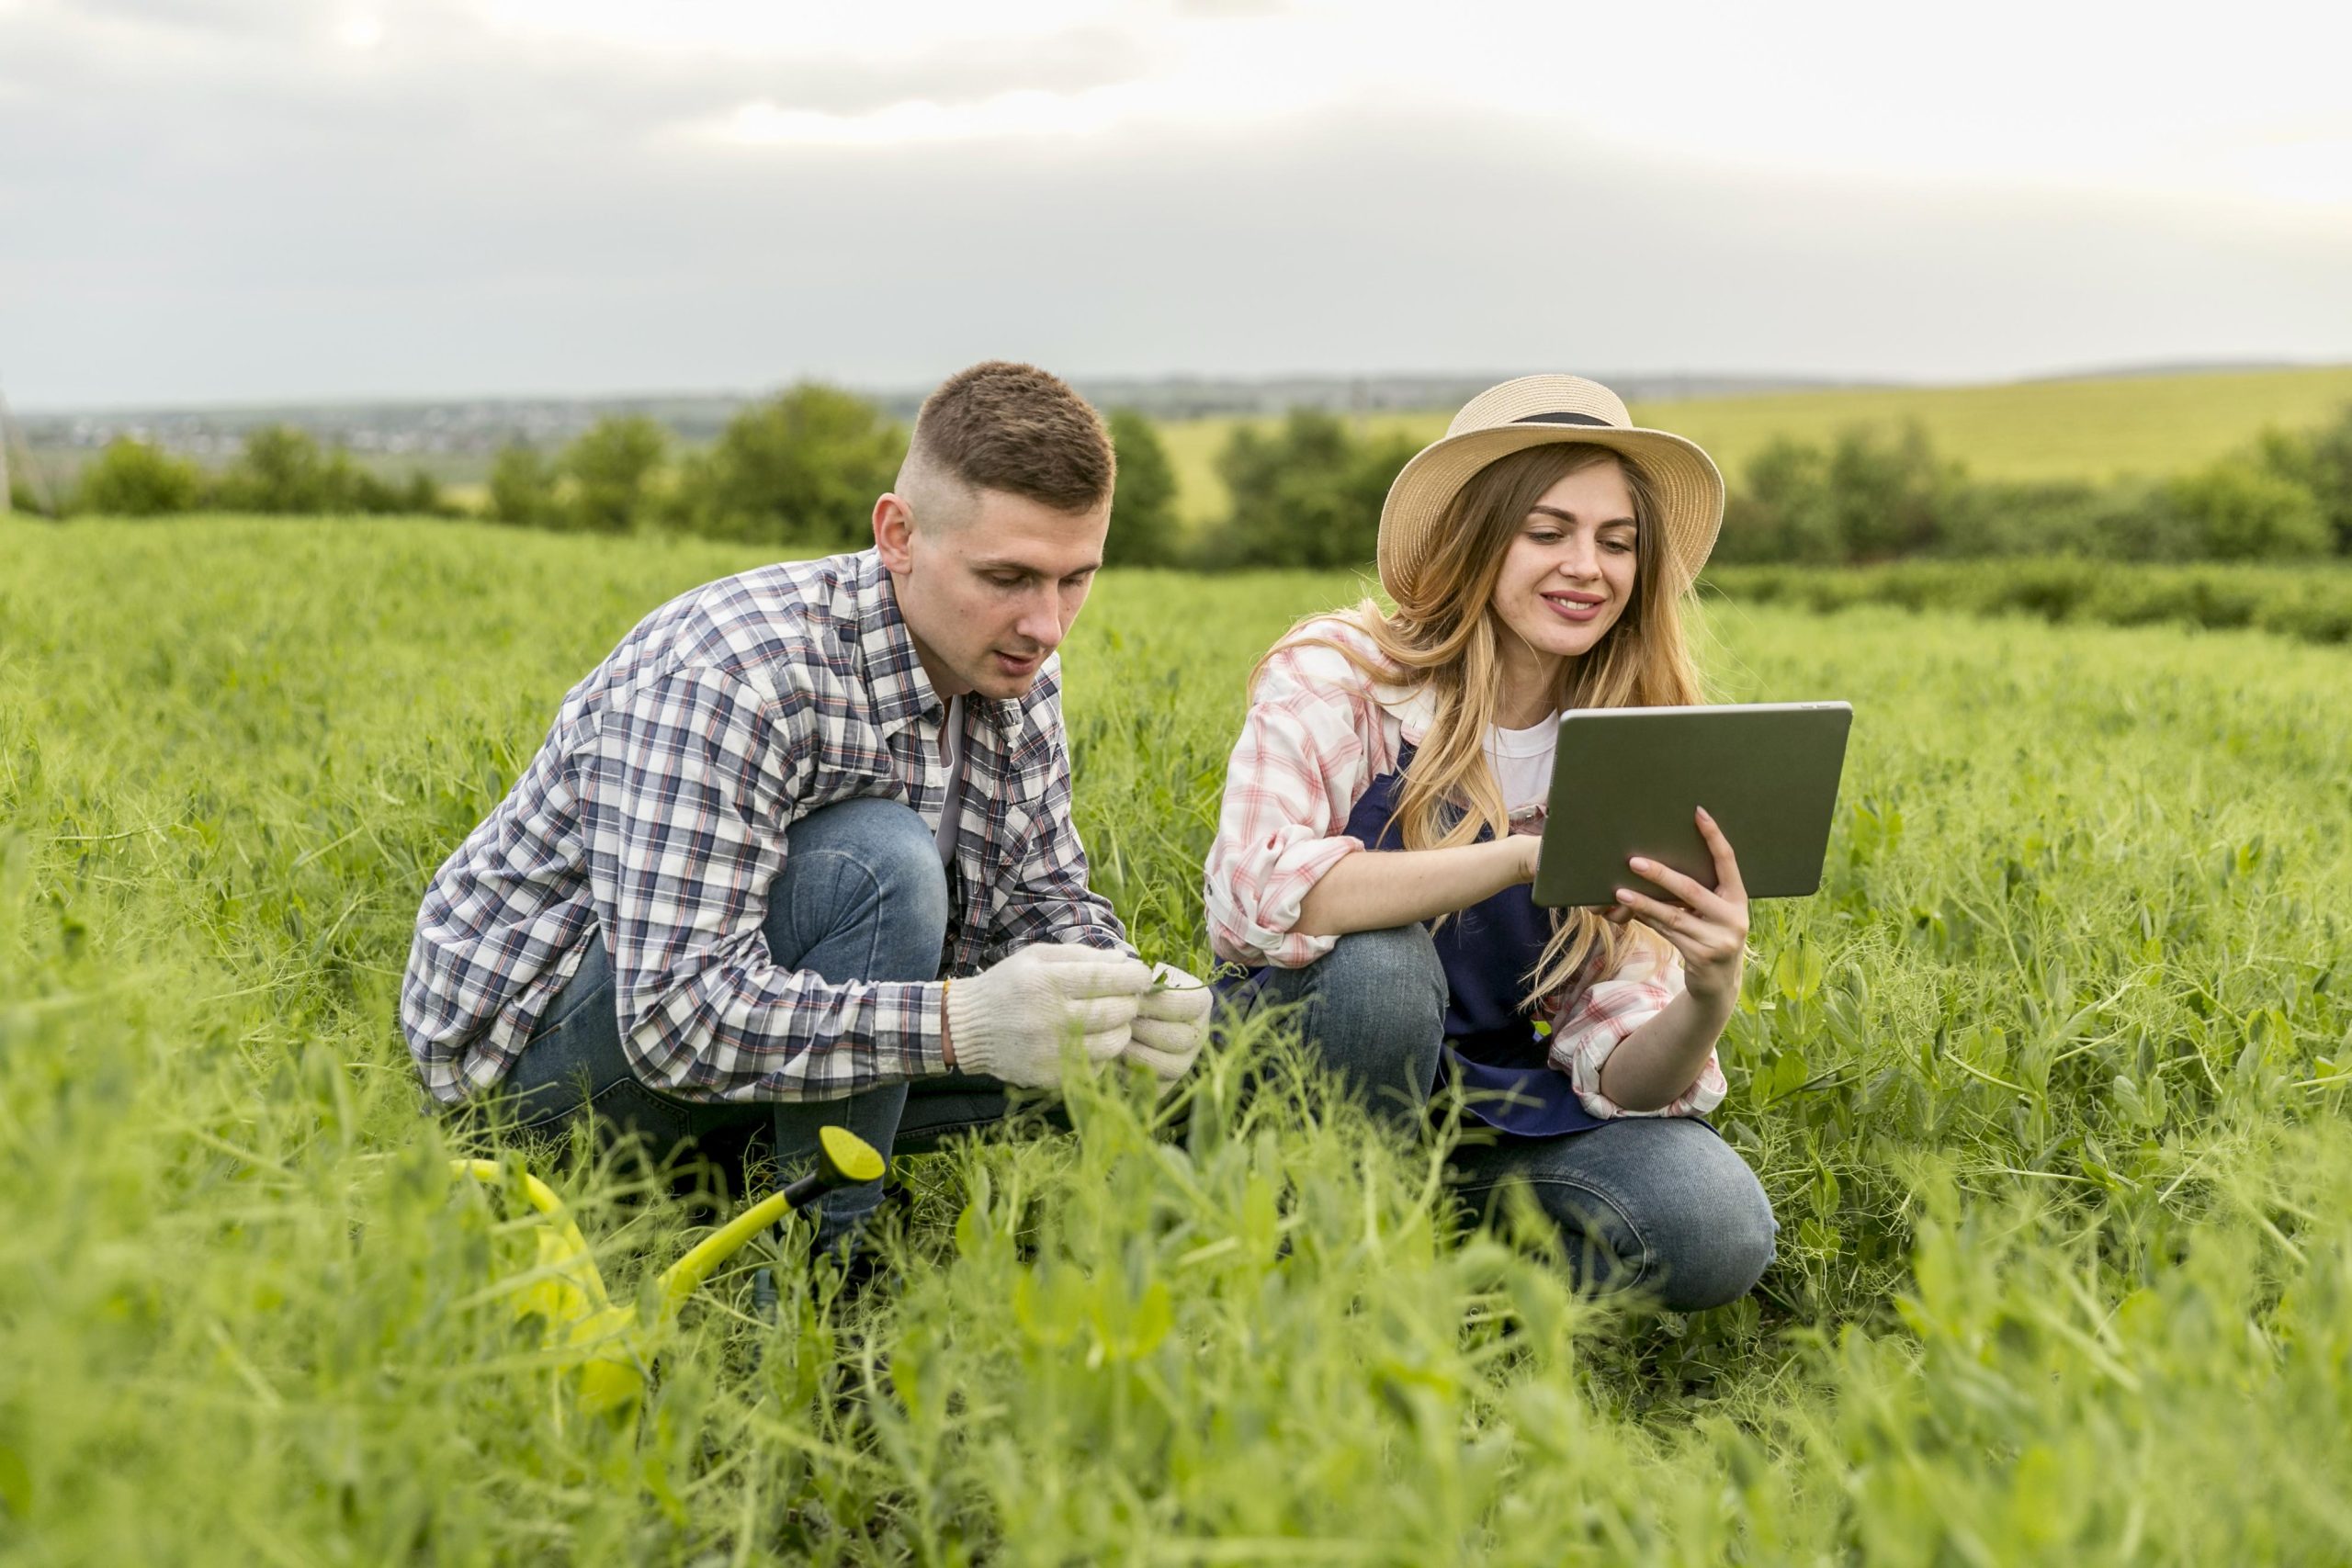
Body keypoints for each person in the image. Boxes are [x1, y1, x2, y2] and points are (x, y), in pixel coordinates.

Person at [401, 360, 1213, 1251]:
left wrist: (1125, 993)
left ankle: (755, 1175)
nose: (1048, 626)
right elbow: (672, 1022)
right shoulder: (732, 674)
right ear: (897, 534)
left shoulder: (1015, 673)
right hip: (537, 1085)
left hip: (744, 1062)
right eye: (1008, 577)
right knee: (881, 863)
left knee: (1075, 1038)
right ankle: (818, 1284)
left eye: (1074, 579)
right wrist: (960, 1027)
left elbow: (1039, 900)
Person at [1204, 375, 1777, 1311]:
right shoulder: (1344, 677)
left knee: (1714, 1224)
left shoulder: (1633, 739)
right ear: (1473, 536)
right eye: (1546, 532)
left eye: (1616, 541)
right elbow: (1249, 897)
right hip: (1303, 1079)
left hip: (1489, 1110)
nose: (1586, 566)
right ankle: (1314, 1251)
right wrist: (1519, 858)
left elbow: (1624, 1072)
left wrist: (1709, 994)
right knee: (1379, 974)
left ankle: (1441, 1300)